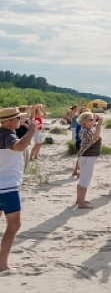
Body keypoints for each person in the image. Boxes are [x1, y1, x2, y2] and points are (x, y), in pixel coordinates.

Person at [0, 106, 38, 272]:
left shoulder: (5, 132)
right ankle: (2, 264)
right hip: (6, 186)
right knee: (14, 224)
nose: (19, 121)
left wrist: (27, 116)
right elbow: (20, 146)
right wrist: (32, 131)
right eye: (16, 119)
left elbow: (20, 116)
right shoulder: (7, 135)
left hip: (4, 184)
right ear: (9, 121)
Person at [76, 112, 103, 209]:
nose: (93, 121)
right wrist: (99, 123)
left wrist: (95, 120)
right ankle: (81, 203)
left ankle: (79, 199)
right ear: (85, 121)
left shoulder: (85, 129)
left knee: (82, 179)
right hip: (88, 157)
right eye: (90, 119)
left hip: (85, 157)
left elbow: (93, 130)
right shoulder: (86, 131)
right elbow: (95, 136)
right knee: (85, 180)